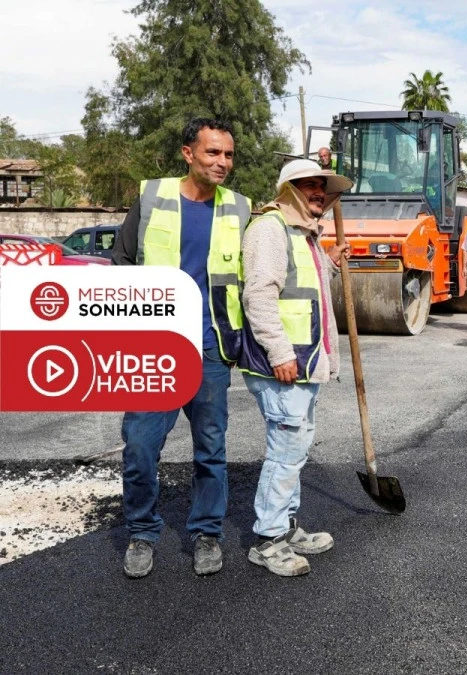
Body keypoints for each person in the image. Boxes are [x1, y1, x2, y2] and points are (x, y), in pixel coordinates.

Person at [111, 118, 252, 579]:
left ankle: (207, 532)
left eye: (228, 154)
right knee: (139, 447)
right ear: (187, 153)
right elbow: (123, 264)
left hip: (211, 345)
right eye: (213, 153)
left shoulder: (241, 209)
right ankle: (141, 531)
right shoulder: (152, 198)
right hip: (156, 345)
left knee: (210, 448)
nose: (222, 163)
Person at [239, 159, 350, 577]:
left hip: (304, 364)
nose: (318, 193)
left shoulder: (303, 234)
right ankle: (268, 540)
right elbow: (260, 296)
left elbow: (305, 287)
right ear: (288, 190)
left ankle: (286, 526)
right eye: (309, 186)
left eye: (322, 187)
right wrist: (280, 353)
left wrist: (330, 260)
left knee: (297, 448)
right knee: (285, 453)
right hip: (282, 365)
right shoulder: (269, 229)